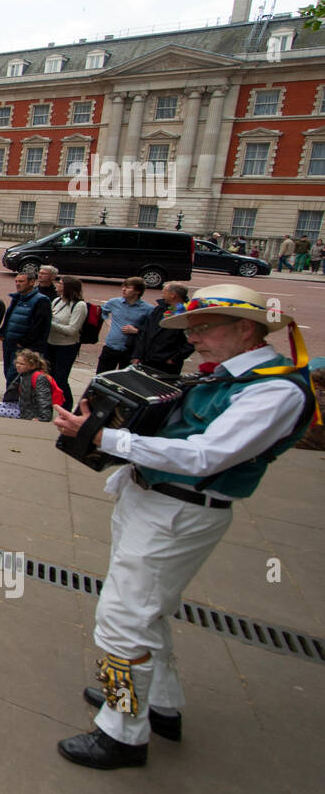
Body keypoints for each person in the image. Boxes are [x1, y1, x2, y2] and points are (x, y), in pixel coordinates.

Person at [52, 284, 316, 769]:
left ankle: (123, 732)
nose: (193, 338)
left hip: (178, 510)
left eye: (204, 328)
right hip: (156, 500)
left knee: (123, 620)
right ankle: (161, 706)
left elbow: (205, 456)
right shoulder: (234, 378)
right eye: (191, 329)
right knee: (147, 612)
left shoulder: (274, 390)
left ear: (246, 328)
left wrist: (108, 436)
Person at [0, 271, 51, 385]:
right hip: (9, 343)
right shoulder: (17, 298)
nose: (17, 284)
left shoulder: (41, 300)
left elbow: (40, 326)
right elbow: (9, 316)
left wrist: (24, 342)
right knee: (8, 374)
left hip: (24, 347)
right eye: (16, 281)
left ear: (32, 282)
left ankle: (12, 401)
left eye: (21, 281)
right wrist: (3, 332)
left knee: (14, 376)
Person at [131, 282, 193, 377]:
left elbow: (191, 341)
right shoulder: (158, 310)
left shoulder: (186, 315)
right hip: (147, 360)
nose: (162, 294)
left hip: (166, 364)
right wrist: (137, 355)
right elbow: (144, 332)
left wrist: (174, 359)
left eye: (164, 292)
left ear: (173, 295)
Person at [46, 275, 88, 407]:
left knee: (61, 379)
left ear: (67, 287)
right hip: (51, 343)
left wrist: (50, 324)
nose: (57, 285)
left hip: (66, 346)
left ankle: (66, 406)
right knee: (49, 378)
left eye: (60, 283)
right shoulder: (57, 301)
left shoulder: (79, 305)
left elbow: (72, 330)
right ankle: (52, 404)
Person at [96, 277, 151, 373]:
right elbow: (101, 311)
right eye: (123, 287)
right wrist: (108, 322)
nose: (123, 289)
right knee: (101, 376)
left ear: (138, 291)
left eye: (128, 287)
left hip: (130, 350)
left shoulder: (147, 309)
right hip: (111, 347)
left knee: (124, 380)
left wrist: (137, 331)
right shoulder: (114, 302)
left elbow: (151, 328)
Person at [0, 349, 56, 421]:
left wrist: (43, 418)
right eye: (17, 363)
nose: (18, 366)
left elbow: (44, 399)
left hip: (31, 413)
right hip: (23, 407)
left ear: (32, 366)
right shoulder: (23, 374)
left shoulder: (39, 378)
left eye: (22, 364)